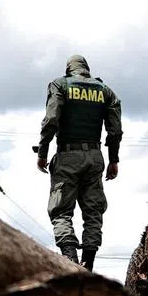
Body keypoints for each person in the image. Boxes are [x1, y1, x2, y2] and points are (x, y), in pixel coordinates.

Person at [34, 54, 122, 272]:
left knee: (61, 211)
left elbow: (51, 120)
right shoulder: (105, 91)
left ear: (68, 69)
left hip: (67, 156)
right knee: (93, 211)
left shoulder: (60, 85)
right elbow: (115, 130)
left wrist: (42, 153)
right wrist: (113, 160)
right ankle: (89, 263)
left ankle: (71, 261)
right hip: (95, 156)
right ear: (87, 69)